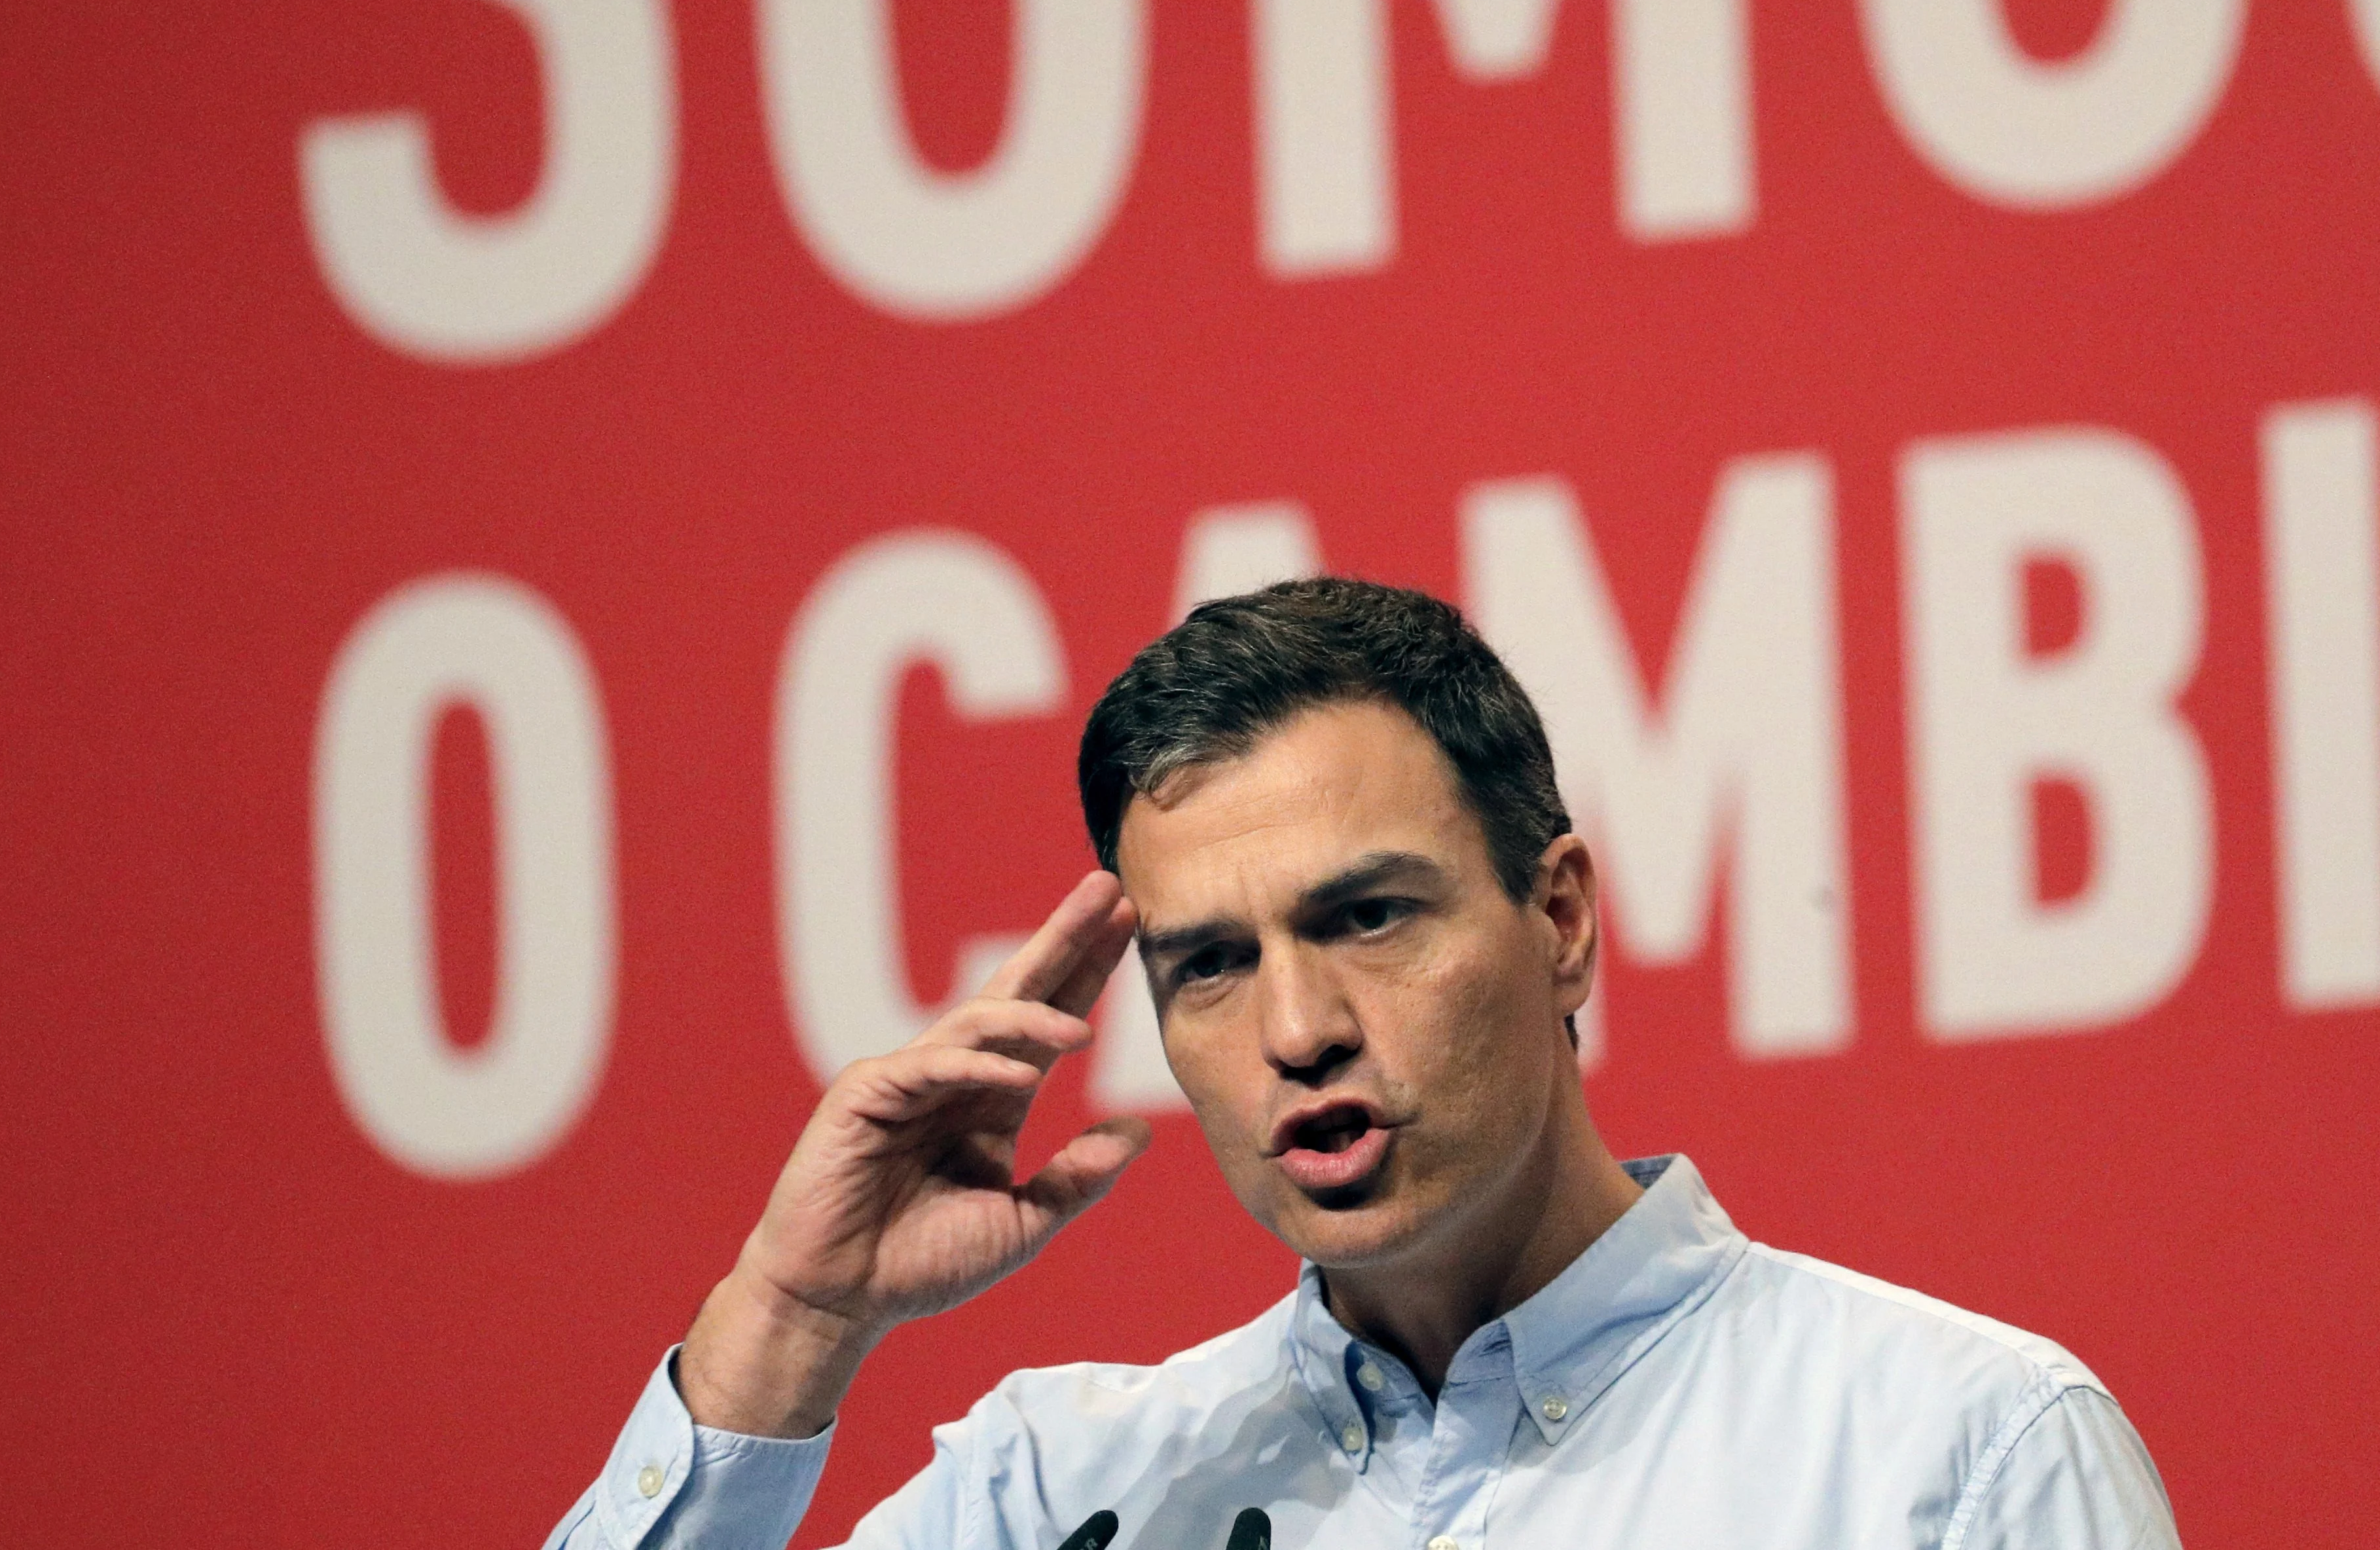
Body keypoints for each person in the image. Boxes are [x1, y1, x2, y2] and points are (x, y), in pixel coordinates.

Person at [546, 579, 2180, 1550]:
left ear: (1557, 916)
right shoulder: (1062, 1493)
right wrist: (787, 1324)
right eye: (1209, 964)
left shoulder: (1946, 1450)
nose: (1296, 1028)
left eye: (1368, 917)